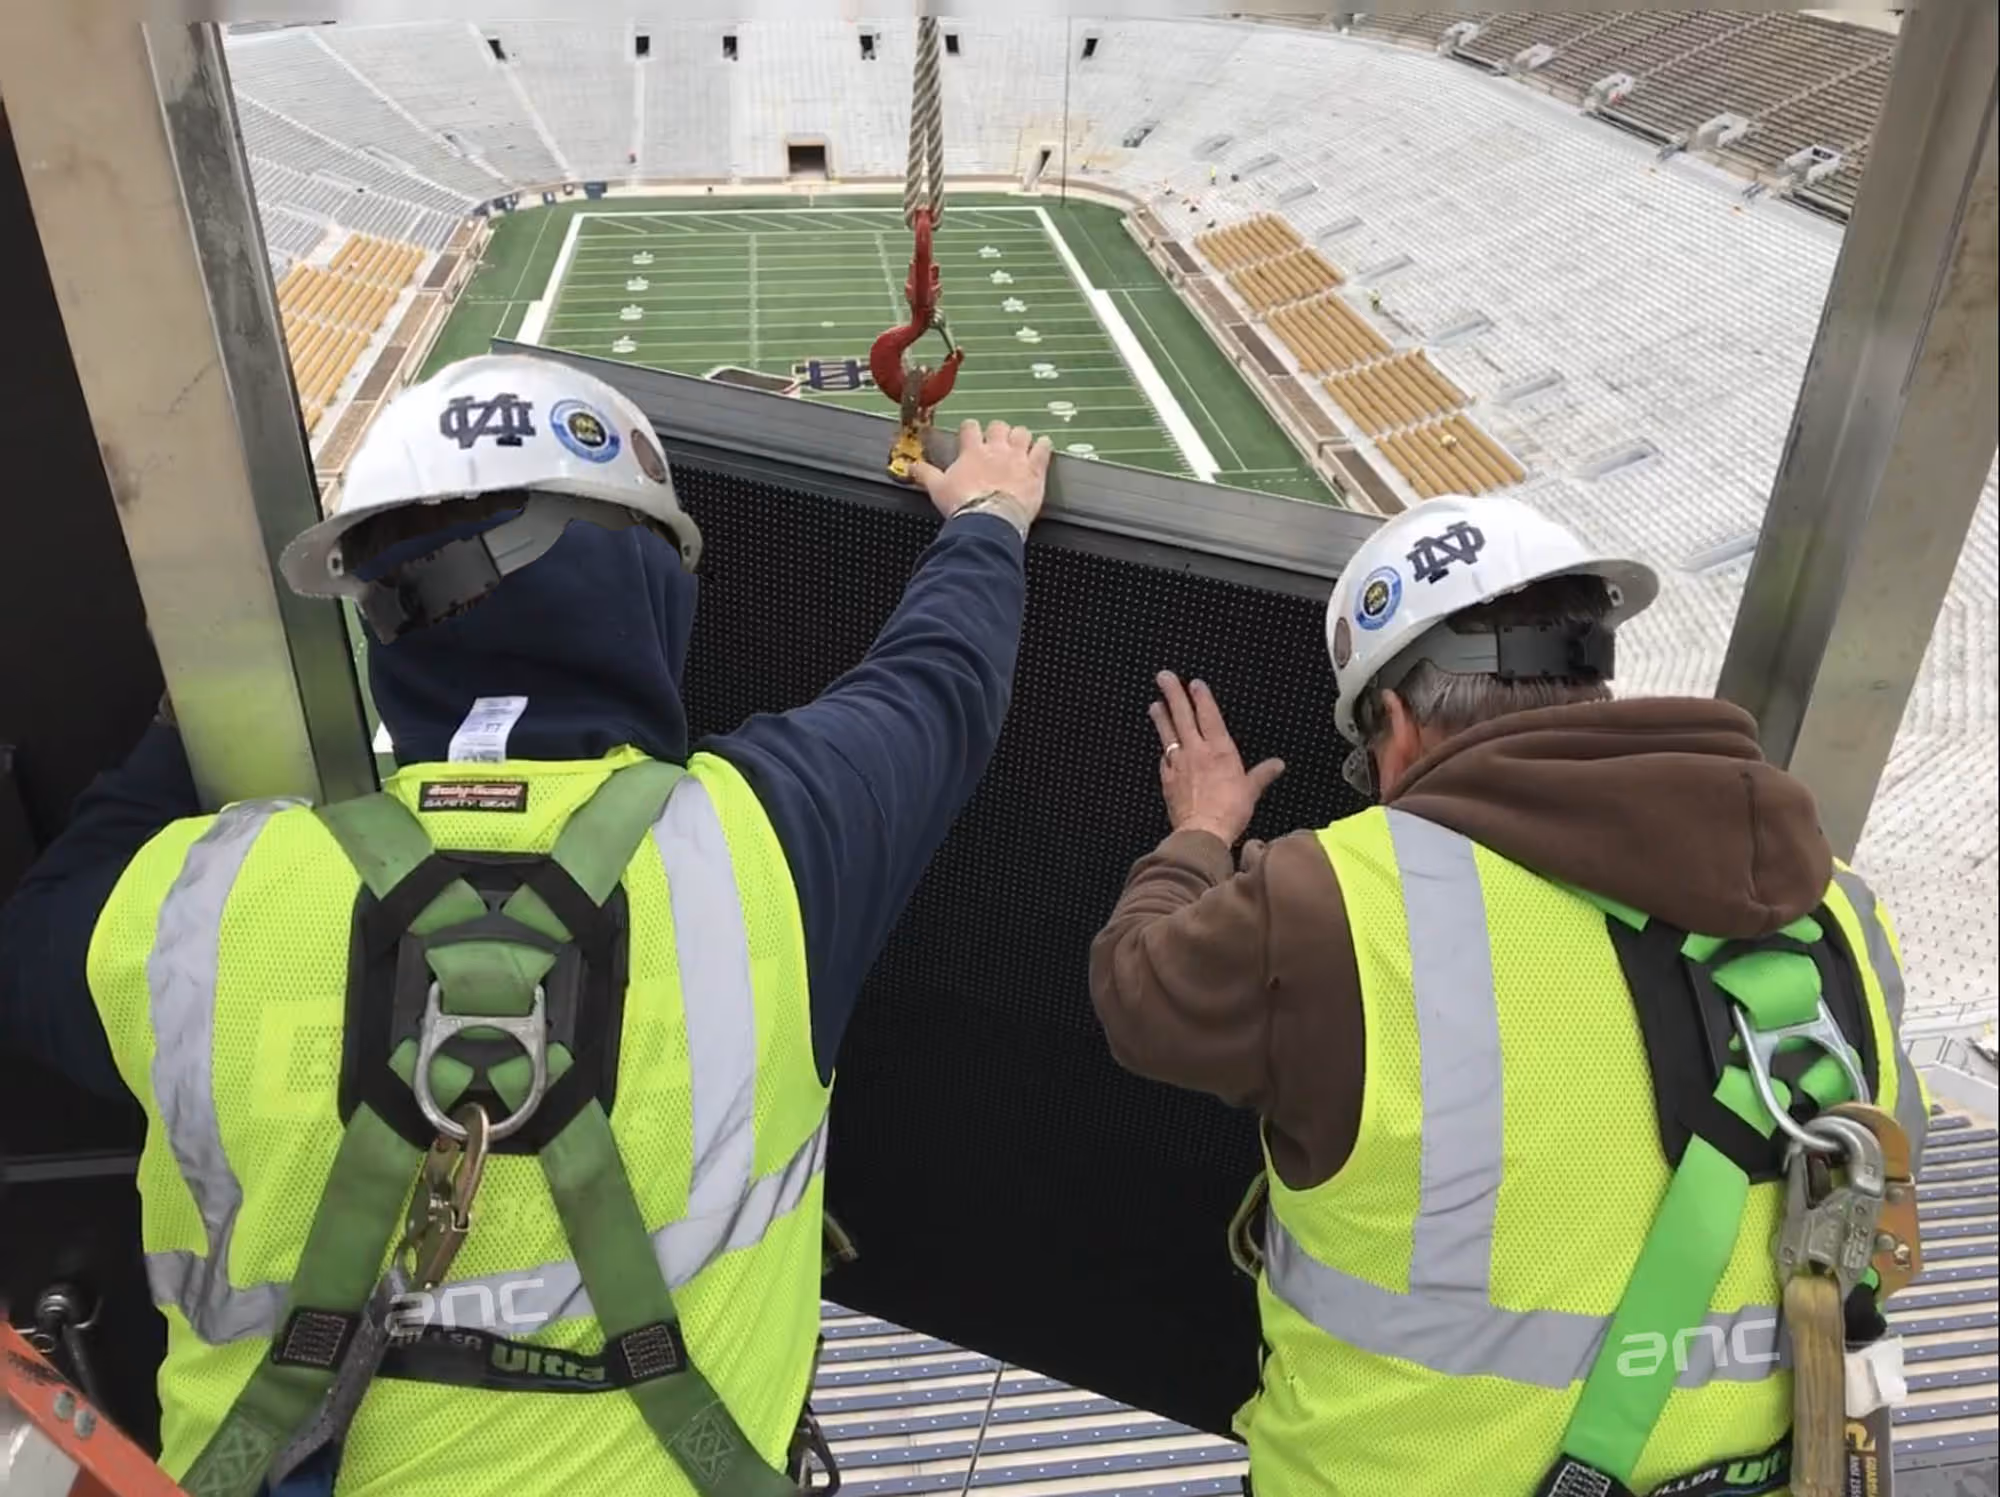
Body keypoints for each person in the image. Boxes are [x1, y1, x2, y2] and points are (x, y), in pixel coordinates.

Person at [0, 354, 1052, 1496]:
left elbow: (37, 941)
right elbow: (937, 684)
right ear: (643, 584)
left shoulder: (199, 898)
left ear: (379, 612)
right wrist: (988, 517)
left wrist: (185, 722)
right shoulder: (772, 846)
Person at [1089, 494, 1927, 1497]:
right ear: (1593, 685)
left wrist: (1199, 832)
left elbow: (1136, 990)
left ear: (1397, 725)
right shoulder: (1840, 908)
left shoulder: (1331, 903)